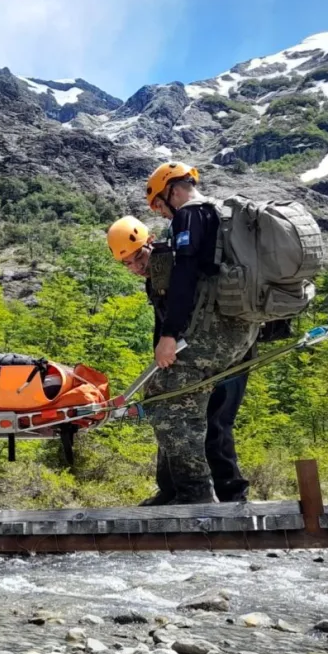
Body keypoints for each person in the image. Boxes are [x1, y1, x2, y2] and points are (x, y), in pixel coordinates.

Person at [107, 216, 251, 505]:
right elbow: (163, 323)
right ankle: (176, 489)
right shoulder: (157, 274)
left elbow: (180, 308)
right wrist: (158, 366)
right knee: (171, 406)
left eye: (138, 257)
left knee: (208, 418)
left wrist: (168, 347)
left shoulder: (176, 264)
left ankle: (219, 495)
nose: (136, 267)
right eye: (127, 264)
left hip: (220, 349)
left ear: (150, 242)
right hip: (207, 348)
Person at [140, 162, 259, 503]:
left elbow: (185, 277)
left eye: (160, 205)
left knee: (164, 394)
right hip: (244, 331)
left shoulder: (189, 216)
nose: (162, 213)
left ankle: (194, 493)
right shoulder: (221, 214)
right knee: (197, 401)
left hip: (216, 332)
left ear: (173, 191)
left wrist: (169, 335)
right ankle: (196, 490)